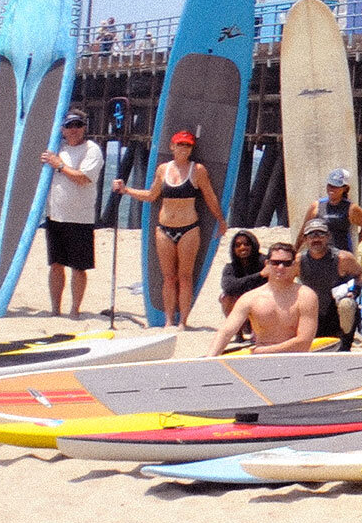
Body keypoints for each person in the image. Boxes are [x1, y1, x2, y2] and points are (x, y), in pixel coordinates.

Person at [113, 128, 225, 328]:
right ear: (172, 146)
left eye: (188, 145)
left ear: (192, 148)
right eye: (180, 144)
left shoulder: (197, 170)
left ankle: (182, 321)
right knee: (168, 277)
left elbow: (210, 197)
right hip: (164, 228)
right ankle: (167, 320)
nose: (184, 148)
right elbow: (151, 196)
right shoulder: (163, 169)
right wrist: (126, 190)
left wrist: (221, 221)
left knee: (185, 276)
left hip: (189, 228)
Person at [209, 243, 319, 354]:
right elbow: (226, 332)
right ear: (267, 264)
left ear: (294, 265)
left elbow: (304, 342)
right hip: (260, 360)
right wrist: (210, 358)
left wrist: (264, 351)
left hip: (293, 359)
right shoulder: (251, 298)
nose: (281, 267)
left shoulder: (306, 296)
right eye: (275, 263)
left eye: (287, 263)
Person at [296, 218, 362, 349]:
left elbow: (360, 273)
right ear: (305, 239)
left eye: (320, 234)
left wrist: (354, 292)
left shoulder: (342, 258)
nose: (316, 239)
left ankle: (345, 344)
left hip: (337, 312)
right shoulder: (298, 261)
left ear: (328, 237)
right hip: (312, 311)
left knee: (347, 305)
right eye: (311, 235)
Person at [302, 167, 362, 254]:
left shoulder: (351, 208)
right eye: (330, 185)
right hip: (320, 255)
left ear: (345, 188)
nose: (331, 189)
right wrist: (295, 251)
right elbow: (303, 231)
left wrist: (356, 243)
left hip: (341, 256)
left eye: (336, 186)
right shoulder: (317, 206)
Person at [217, 229, 266, 315]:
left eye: (247, 244)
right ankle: (237, 327)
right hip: (243, 303)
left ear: (253, 245)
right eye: (238, 245)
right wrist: (260, 275)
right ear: (233, 249)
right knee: (226, 297)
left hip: (264, 301)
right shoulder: (231, 267)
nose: (242, 247)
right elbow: (228, 287)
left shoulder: (264, 262)